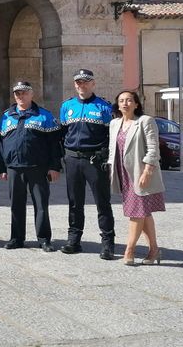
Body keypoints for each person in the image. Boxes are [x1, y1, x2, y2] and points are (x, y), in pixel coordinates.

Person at [0, 81, 62, 252]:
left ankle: (44, 239)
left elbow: (55, 144)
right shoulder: (6, 117)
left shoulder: (44, 116)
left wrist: (54, 166)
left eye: (24, 93)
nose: (20, 96)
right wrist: (2, 168)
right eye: (17, 93)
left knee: (41, 205)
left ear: (32, 94)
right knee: (16, 205)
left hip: (38, 167)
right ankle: (16, 238)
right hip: (14, 168)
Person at [59, 69, 116, 259]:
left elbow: (112, 136)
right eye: (78, 83)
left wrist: (106, 155)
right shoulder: (67, 106)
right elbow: (62, 133)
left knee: (102, 201)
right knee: (75, 201)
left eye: (85, 82)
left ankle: (108, 243)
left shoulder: (105, 107)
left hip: (95, 160)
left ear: (93, 84)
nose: (81, 85)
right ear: (75, 85)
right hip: (73, 159)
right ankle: (74, 240)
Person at [108, 90, 166, 266]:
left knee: (136, 212)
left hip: (140, 173)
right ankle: (154, 250)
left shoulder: (145, 121)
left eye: (129, 100)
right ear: (117, 105)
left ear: (136, 104)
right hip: (123, 173)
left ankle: (129, 250)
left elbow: (153, 148)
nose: (125, 103)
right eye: (121, 101)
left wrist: (148, 171)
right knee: (143, 213)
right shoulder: (114, 123)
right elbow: (113, 149)